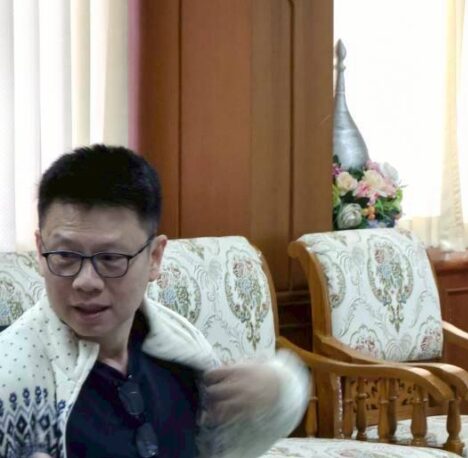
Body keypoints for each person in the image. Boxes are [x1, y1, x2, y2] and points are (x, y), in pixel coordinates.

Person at [0, 145, 309, 457]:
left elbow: (222, 449)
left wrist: (278, 397)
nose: (86, 282)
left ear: (155, 257)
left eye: (111, 258)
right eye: (65, 255)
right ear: (40, 250)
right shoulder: (11, 376)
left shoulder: (179, 348)